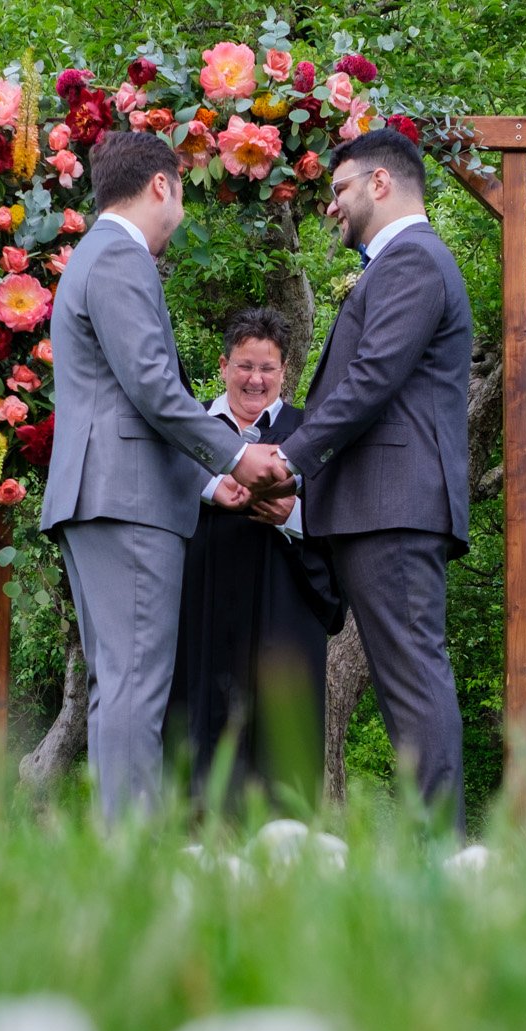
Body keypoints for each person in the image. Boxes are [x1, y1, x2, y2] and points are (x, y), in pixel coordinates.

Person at [39, 132, 291, 820]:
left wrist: (208, 484)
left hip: (103, 495)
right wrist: (235, 454)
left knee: (116, 683)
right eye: (182, 188)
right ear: (161, 185)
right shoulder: (121, 257)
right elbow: (151, 385)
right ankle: (133, 859)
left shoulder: (95, 255)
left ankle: (120, 847)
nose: (182, 204)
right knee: (135, 685)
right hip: (127, 502)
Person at [267, 128, 474, 830]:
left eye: (340, 189)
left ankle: (439, 855)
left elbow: (369, 381)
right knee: (402, 687)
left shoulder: (413, 259)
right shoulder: (398, 264)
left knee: (413, 682)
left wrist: (288, 459)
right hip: (377, 505)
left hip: (396, 505)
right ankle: (432, 849)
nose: (333, 206)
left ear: (380, 183)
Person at [166, 309, 343, 808]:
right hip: (197, 610)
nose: (256, 380)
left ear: (284, 371)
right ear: (223, 365)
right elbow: (153, 496)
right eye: (245, 366)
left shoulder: (309, 435)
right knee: (193, 733)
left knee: (280, 744)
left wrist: (292, 513)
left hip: (282, 613)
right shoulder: (188, 428)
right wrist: (205, 486)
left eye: (268, 368)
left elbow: (341, 522)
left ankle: (282, 856)